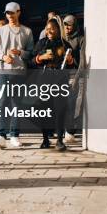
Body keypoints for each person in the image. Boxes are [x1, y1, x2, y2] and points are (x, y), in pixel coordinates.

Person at [0, 2, 34, 149]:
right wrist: (3, 57)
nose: (10, 15)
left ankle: (14, 135)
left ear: (19, 12)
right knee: (3, 102)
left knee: (17, 104)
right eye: (7, 13)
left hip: (20, 73)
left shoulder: (27, 32)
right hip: (3, 72)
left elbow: (31, 53)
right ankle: (1, 136)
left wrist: (21, 53)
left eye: (12, 12)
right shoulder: (0, 31)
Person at [30, 17, 74, 151]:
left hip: (60, 81)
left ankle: (60, 141)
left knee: (60, 110)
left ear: (58, 29)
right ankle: (45, 139)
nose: (49, 31)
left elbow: (73, 65)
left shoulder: (65, 44)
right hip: (44, 80)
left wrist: (71, 60)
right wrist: (40, 58)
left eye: (52, 29)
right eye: (47, 29)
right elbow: (30, 62)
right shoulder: (41, 43)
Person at [62, 14, 85, 143]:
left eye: (69, 24)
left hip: (74, 76)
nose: (67, 27)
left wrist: (76, 78)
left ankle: (70, 132)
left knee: (74, 105)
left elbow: (82, 62)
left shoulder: (80, 39)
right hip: (62, 77)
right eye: (65, 24)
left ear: (75, 25)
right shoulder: (62, 40)